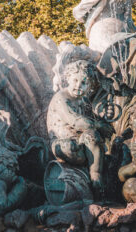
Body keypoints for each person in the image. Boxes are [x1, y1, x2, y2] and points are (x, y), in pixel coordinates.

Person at [47, 60, 113, 193]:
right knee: (70, 147)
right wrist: (98, 125)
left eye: (84, 83)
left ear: (89, 86)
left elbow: (92, 119)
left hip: (82, 143)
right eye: (75, 80)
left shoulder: (84, 101)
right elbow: (76, 121)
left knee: (93, 136)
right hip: (63, 144)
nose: (79, 86)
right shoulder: (61, 98)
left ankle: (95, 175)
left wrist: (105, 116)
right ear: (68, 79)